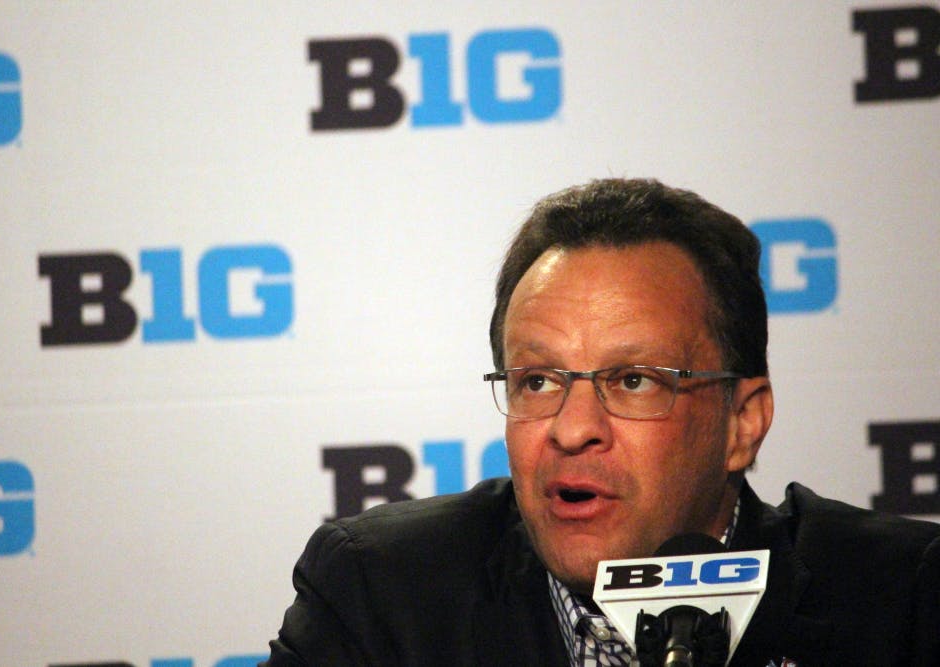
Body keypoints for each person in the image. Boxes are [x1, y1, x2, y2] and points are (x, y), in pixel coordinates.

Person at [263, 178, 940, 666]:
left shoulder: (902, 602)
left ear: (743, 421)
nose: (571, 427)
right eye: (539, 381)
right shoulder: (383, 593)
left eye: (632, 380)